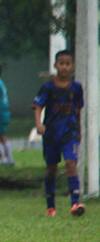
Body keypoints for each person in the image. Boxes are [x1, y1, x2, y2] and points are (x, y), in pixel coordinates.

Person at [33, 49, 85, 216]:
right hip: (52, 133)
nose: (64, 67)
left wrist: (79, 130)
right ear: (55, 65)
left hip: (70, 133)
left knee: (71, 164)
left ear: (73, 66)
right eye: (61, 63)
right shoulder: (48, 87)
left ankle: (75, 203)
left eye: (67, 64)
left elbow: (78, 110)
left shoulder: (76, 88)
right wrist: (39, 123)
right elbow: (38, 106)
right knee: (51, 168)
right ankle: (51, 206)